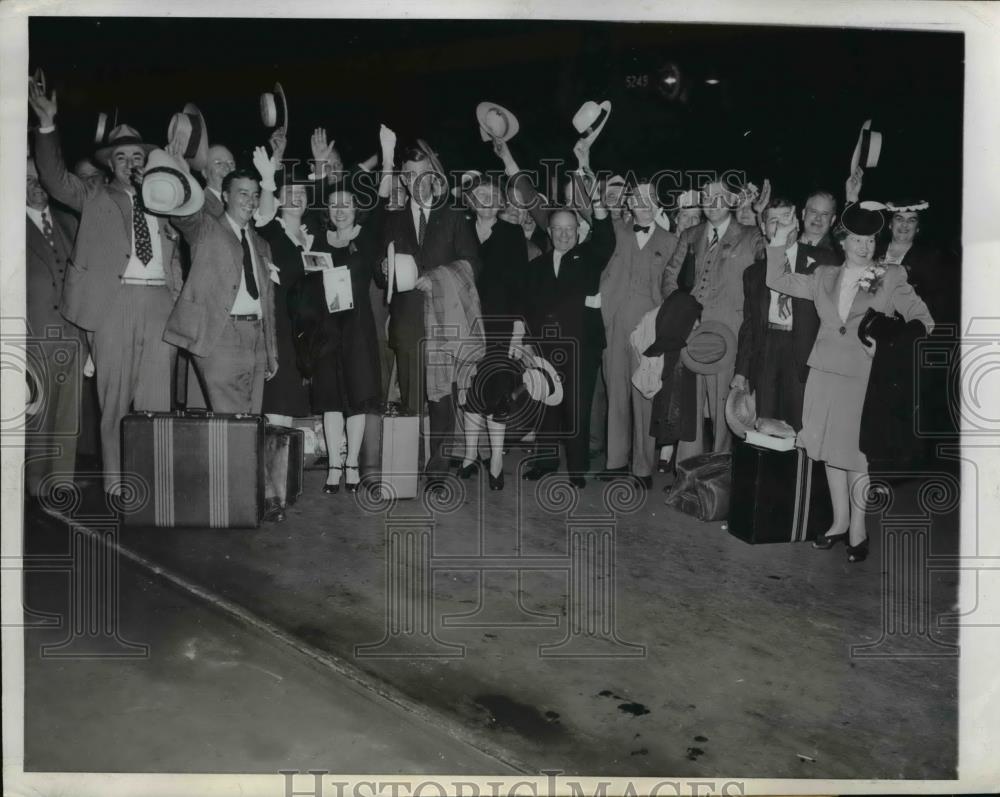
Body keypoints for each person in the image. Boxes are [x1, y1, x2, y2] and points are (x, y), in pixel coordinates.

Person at [29, 79, 185, 497]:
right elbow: (55, 177)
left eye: (138, 155)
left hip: (158, 302)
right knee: (114, 401)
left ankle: (153, 487)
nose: (131, 162)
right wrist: (46, 124)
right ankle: (119, 487)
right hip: (113, 303)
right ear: (110, 164)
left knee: (157, 402)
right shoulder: (93, 194)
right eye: (122, 156)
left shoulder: (165, 198)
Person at [765, 202, 933, 562]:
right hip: (823, 374)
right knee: (829, 451)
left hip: (861, 378)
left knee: (856, 456)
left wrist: (886, 346)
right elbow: (776, 279)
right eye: (857, 239)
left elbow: (924, 320)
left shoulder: (891, 276)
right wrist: (778, 239)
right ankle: (838, 523)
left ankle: (858, 530)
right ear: (843, 242)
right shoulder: (823, 275)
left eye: (870, 240)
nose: (864, 246)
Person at [288, 126, 394, 493]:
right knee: (331, 398)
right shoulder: (317, 238)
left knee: (359, 397)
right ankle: (334, 466)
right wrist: (318, 168)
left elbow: (381, 202)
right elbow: (317, 199)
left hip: (358, 327)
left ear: (355, 209)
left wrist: (389, 155)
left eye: (347, 204)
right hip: (326, 328)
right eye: (335, 205)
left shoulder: (364, 238)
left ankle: (352, 466)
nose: (340, 209)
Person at [379, 141, 482, 491]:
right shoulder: (391, 219)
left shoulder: (452, 216)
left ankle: (437, 470)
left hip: (444, 318)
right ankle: (405, 468)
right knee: (411, 398)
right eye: (409, 174)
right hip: (407, 320)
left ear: (433, 176)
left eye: (422, 174)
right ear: (404, 180)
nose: (416, 180)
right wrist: (385, 269)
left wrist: (436, 278)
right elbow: (381, 273)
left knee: (441, 398)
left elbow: (472, 264)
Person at [164, 154, 280, 415]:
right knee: (234, 420)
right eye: (242, 194)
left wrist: (271, 350)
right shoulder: (206, 228)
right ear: (225, 196)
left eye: (254, 195)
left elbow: (268, 300)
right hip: (222, 333)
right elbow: (184, 216)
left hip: (256, 337)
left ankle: (244, 458)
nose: (250, 201)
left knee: (251, 419)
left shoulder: (261, 244)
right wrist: (180, 176)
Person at [664, 180, 764, 457]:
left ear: (733, 201)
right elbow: (670, 277)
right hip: (691, 334)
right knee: (689, 412)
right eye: (707, 196)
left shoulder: (752, 235)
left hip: (728, 336)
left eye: (721, 197)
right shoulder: (690, 235)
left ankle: (718, 481)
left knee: (724, 413)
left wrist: (765, 218)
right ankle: (686, 479)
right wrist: (681, 315)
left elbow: (772, 264)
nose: (713, 202)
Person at [521, 198, 615, 488]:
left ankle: (577, 467)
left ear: (578, 231)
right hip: (545, 348)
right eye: (558, 229)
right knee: (546, 407)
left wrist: (598, 206)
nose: (564, 234)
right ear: (549, 232)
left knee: (577, 408)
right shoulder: (536, 267)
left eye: (570, 229)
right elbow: (529, 309)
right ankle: (545, 462)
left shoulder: (590, 256)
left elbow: (606, 238)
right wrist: (528, 344)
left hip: (581, 348)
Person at [598, 180, 679, 488]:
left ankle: (642, 467)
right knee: (615, 392)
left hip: (649, 328)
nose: (642, 203)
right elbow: (591, 209)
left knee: (644, 396)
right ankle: (615, 461)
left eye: (649, 198)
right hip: (614, 324)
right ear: (629, 203)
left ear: (658, 203)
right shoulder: (615, 230)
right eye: (636, 198)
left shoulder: (672, 241)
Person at [733, 197, 841, 429]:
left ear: (797, 222)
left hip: (804, 352)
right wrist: (741, 371)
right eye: (774, 221)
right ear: (763, 228)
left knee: (802, 425)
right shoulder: (753, 273)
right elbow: (750, 325)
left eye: (787, 219)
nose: (782, 227)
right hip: (767, 351)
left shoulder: (825, 259)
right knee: (764, 425)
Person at [458, 175, 530, 490]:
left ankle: (497, 461)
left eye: (492, 194)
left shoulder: (512, 234)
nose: (486, 199)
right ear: (471, 201)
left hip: (501, 323)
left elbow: (520, 286)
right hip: (467, 323)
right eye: (479, 194)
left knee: (498, 390)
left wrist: (518, 330)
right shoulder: (459, 230)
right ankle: (469, 456)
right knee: (471, 387)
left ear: (501, 202)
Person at [24, 154, 85, 499]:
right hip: (32, 339)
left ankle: (62, 484)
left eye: (39, 179)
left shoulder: (69, 223)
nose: (36, 186)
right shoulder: (10, 227)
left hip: (72, 338)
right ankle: (34, 488)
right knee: (37, 416)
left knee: (67, 417)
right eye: (27, 180)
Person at [255, 181, 313, 427]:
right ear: (278, 201)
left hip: (304, 336)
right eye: (288, 193)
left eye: (301, 193)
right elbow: (263, 215)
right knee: (277, 407)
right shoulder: (272, 233)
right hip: (278, 331)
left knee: (289, 409)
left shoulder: (312, 238)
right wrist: (268, 180)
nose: (296, 197)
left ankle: (284, 465)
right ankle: (273, 466)